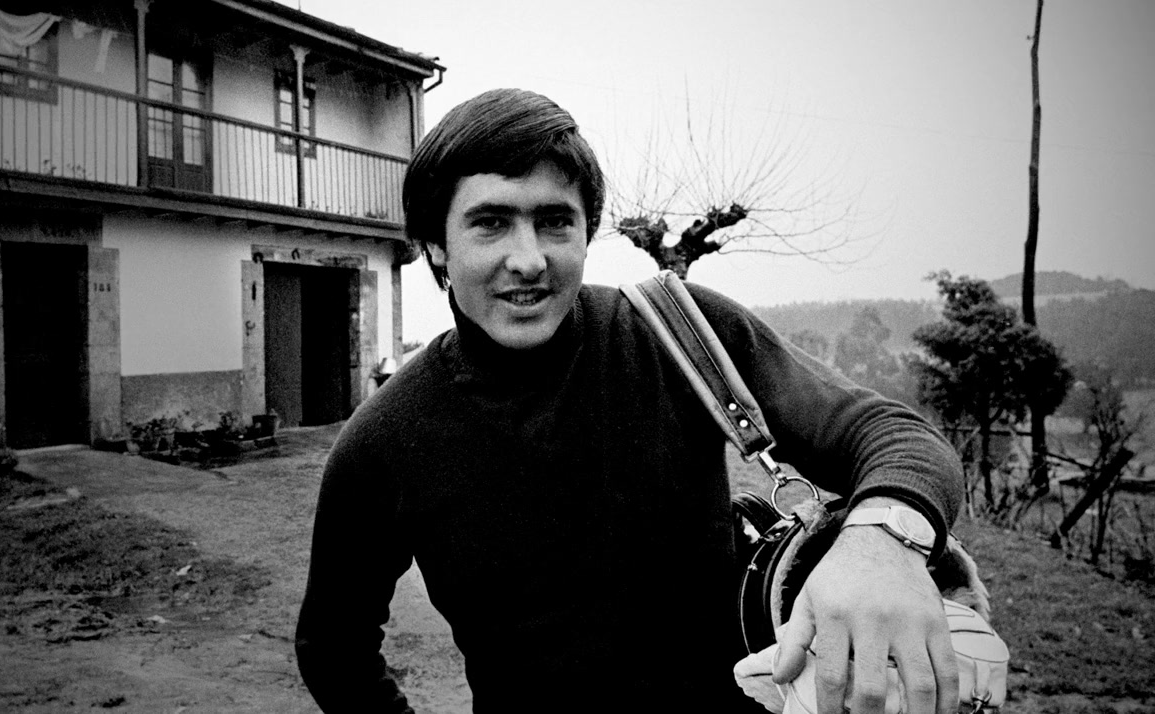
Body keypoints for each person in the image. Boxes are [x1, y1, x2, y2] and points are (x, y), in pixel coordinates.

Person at [295, 88, 964, 714]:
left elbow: (894, 436)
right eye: (491, 223)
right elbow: (333, 647)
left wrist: (882, 543)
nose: (529, 259)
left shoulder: (683, 336)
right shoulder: (386, 439)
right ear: (436, 246)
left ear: (586, 232)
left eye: (555, 221)